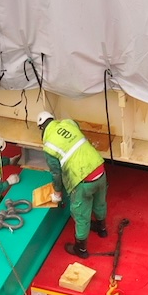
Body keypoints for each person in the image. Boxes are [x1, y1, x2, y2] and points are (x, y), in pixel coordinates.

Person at [36, 110, 108, 257]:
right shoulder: (67, 123)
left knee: (80, 213)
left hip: (83, 179)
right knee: (100, 202)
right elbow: (74, 126)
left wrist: (57, 192)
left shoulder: (49, 146)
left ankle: (81, 249)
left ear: (41, 129)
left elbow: (56, 173)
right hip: (100, 169)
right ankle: (102, 229)